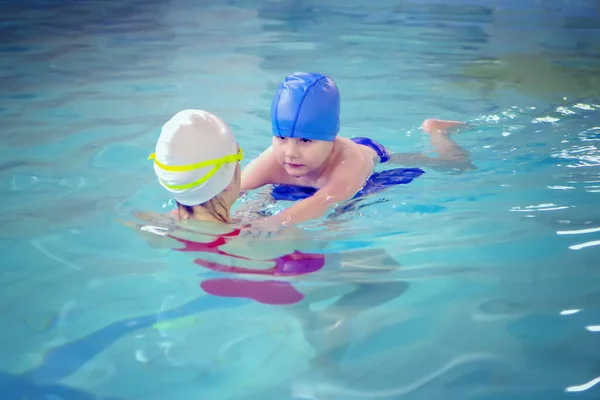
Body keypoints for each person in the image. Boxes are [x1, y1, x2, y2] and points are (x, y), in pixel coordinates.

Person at [241, 71, 474, 230]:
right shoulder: (273, 158)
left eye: (304, 141)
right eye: (282, 137)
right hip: (326, 163)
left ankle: (436, 130)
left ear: (331, 138)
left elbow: (326, 200)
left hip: (368, 153)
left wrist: (280, 221)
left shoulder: (350, 162)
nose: (290, 152)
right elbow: (231, 189)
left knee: (455, 167)